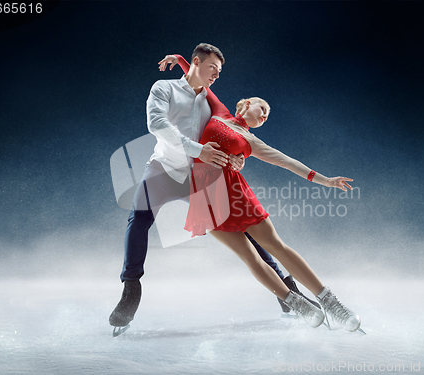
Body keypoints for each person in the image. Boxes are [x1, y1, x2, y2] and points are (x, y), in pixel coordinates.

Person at [109, 43, 317, 335]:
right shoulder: (164, 89)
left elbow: (229, 134)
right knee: (139, 217)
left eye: (220, 72)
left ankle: (288, 293)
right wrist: (198, 149)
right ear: (197, 62)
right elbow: (157, 124)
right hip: (164, 168)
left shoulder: (210, 101)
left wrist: (237, 157)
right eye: (213, 70)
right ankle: (131, 290)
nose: (217, 76)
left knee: (246, 231)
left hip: (202, 177)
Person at [160, 54, 362, 332]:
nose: (265, 114)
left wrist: (325, 180)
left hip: (233, 191)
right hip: (205, 194)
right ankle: (296, 304)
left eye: (268, 115)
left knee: (276, 246)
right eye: (262, 107)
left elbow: (286, 161)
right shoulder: (219, 112)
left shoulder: (252, 141)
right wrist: (181, 59)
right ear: (245, 104)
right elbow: (200, 80)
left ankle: (331, 303)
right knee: (249, 257)